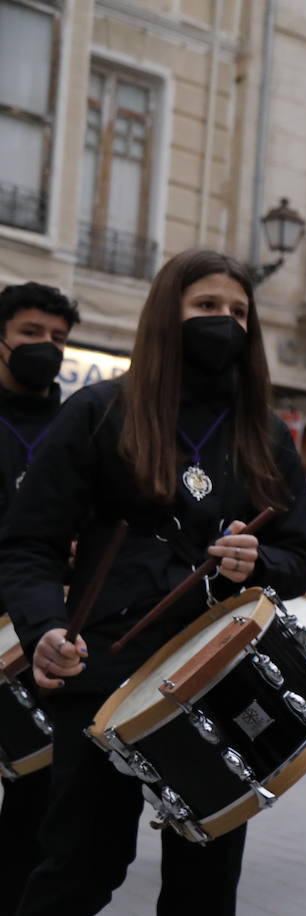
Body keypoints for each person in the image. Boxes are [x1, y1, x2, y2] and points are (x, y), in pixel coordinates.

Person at [0, 250, 306, 916]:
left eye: (238, 311)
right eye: (206, 307)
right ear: (167, 313)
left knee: (206, 882)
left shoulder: (262, 432)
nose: (224, 321)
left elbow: (301, 556)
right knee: (79, 866)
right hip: (105, 666)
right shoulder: (98, 411)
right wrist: (44, 627)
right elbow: (30, 543)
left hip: (218, 672)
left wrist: (257, 562)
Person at [0, 282, 79, 916]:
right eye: (31, 334)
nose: (46, 349)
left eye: (57, 339)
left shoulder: (77, 424)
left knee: (34, 804)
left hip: (39, 634)